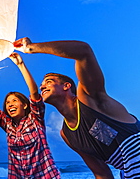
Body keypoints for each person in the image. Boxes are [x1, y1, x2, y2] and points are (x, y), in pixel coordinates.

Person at [14, 37, 140, 179]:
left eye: (48, 82)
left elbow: (83, 51)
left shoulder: (89, 98)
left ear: (66, 86)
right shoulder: (67, 134)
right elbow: (101, 173)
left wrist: (31, 48)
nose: (42, 86)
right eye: (42, 84)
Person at [0, 52, 60, 179]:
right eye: (7, 102)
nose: (10, 104)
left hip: (45, 175)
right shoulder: (7, 125)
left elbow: (34, 92)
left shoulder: (35, 119)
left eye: (14, 101)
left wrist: (20, 64)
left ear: (24, 105)